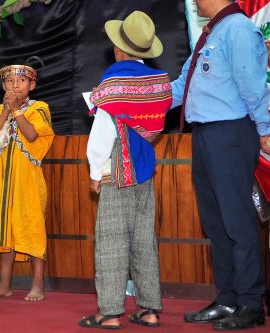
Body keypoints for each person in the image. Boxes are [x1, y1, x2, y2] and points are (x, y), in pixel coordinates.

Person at [171, 0, 270, 330]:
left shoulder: (239, 29)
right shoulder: (211, 31)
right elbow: (180, 87)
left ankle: (251, 303)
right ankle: (227, 298)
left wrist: (266, 129)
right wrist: (134, 98)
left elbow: (253, 84)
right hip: (206, 136)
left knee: (237, 223)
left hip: (230, 132)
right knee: (216, 224)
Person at [79, 11, 172, 329]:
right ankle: (149, 309)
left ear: (119, 49)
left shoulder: (114, 81)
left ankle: (108, 312)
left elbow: (104, 130)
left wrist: (95, 169)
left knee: (112, 238)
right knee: (145, 239)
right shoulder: (158, 81)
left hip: (118, 163)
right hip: (146, 162)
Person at [0, 62, 54, 301]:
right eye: (10, 81)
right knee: (5, 232)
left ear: (32, 85)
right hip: (2, 182)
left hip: (29, 183)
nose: (16, 85)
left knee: (33, 228)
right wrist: (5, 111)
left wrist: (16, 111)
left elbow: (32, 134)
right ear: (3, 85)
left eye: (21, 81)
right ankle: (4, 284)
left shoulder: (39, 108)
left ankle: (38, 285)